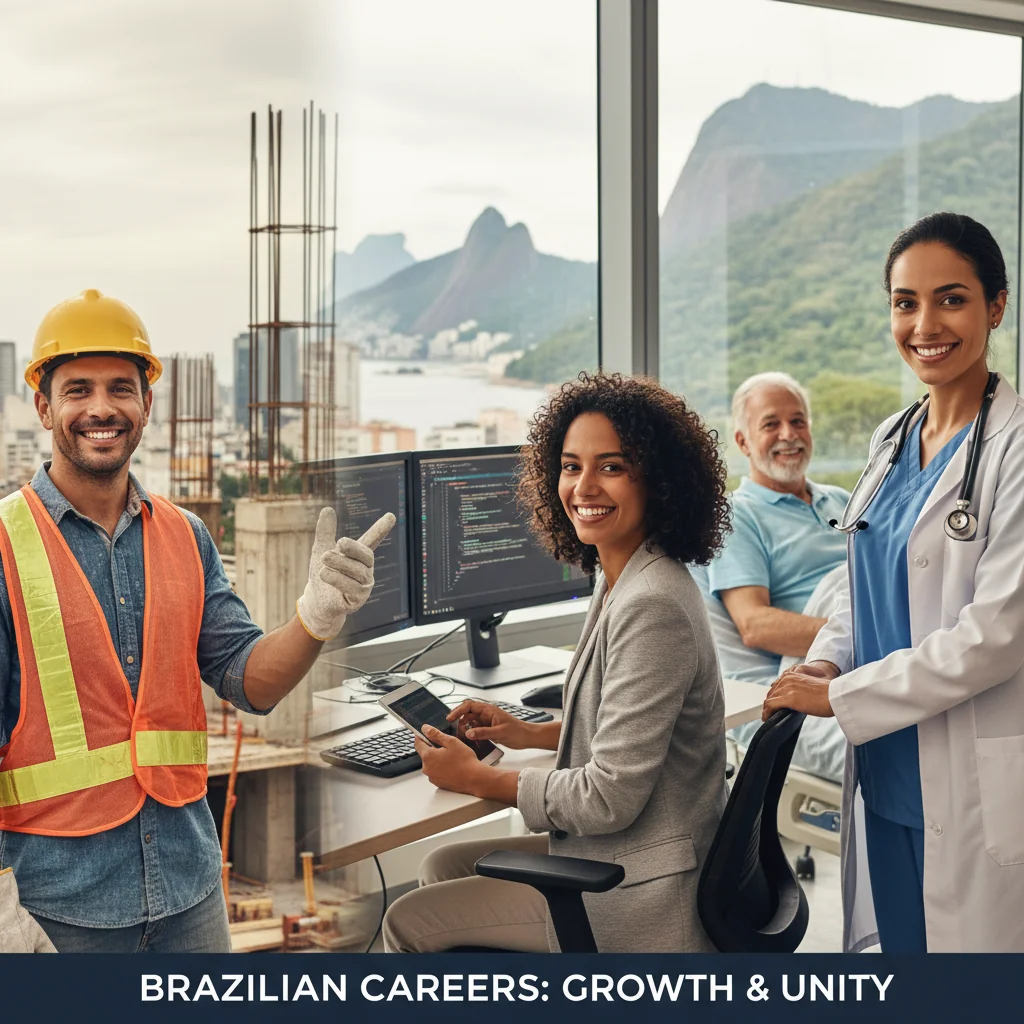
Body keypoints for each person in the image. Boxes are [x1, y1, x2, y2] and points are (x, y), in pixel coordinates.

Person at [0, 289, 393, 953]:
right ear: (43, 406)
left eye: (121, 388)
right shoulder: (5, 545)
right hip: (62, 912)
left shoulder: (186, 535)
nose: (102, 408)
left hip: (190, 894)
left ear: (146, 405)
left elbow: (250, 682)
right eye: (78, 390)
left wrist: (314, 618)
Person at [382, 371, 731, 953]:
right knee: (444, 862)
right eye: (571, 466)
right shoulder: (623, 571)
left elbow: (608, 796)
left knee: (406, 921)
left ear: (660, 481)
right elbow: (633, 734)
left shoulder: (652, 605)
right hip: (630, 852)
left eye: (611, 467)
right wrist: (530, 734)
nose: (584, 487)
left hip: (642, 885)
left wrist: (482, 780)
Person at [763, 212, 1024, 953]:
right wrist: (829, 658)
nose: (925, 324)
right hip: (886, 770)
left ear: (995, 306)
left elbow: (994, 638)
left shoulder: (1016, 449)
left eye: (951, 298)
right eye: (905, 303)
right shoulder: (890, 440)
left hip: (971, 782)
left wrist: (841, 697)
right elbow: (860, 580)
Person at [694, 372, 849, 782]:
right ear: (742, 441)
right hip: (812, 672)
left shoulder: (845, 501)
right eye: (770, 424)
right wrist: (867, 633)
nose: (789, 434)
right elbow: (755, 625)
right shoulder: (737, 517)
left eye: (798, 421)